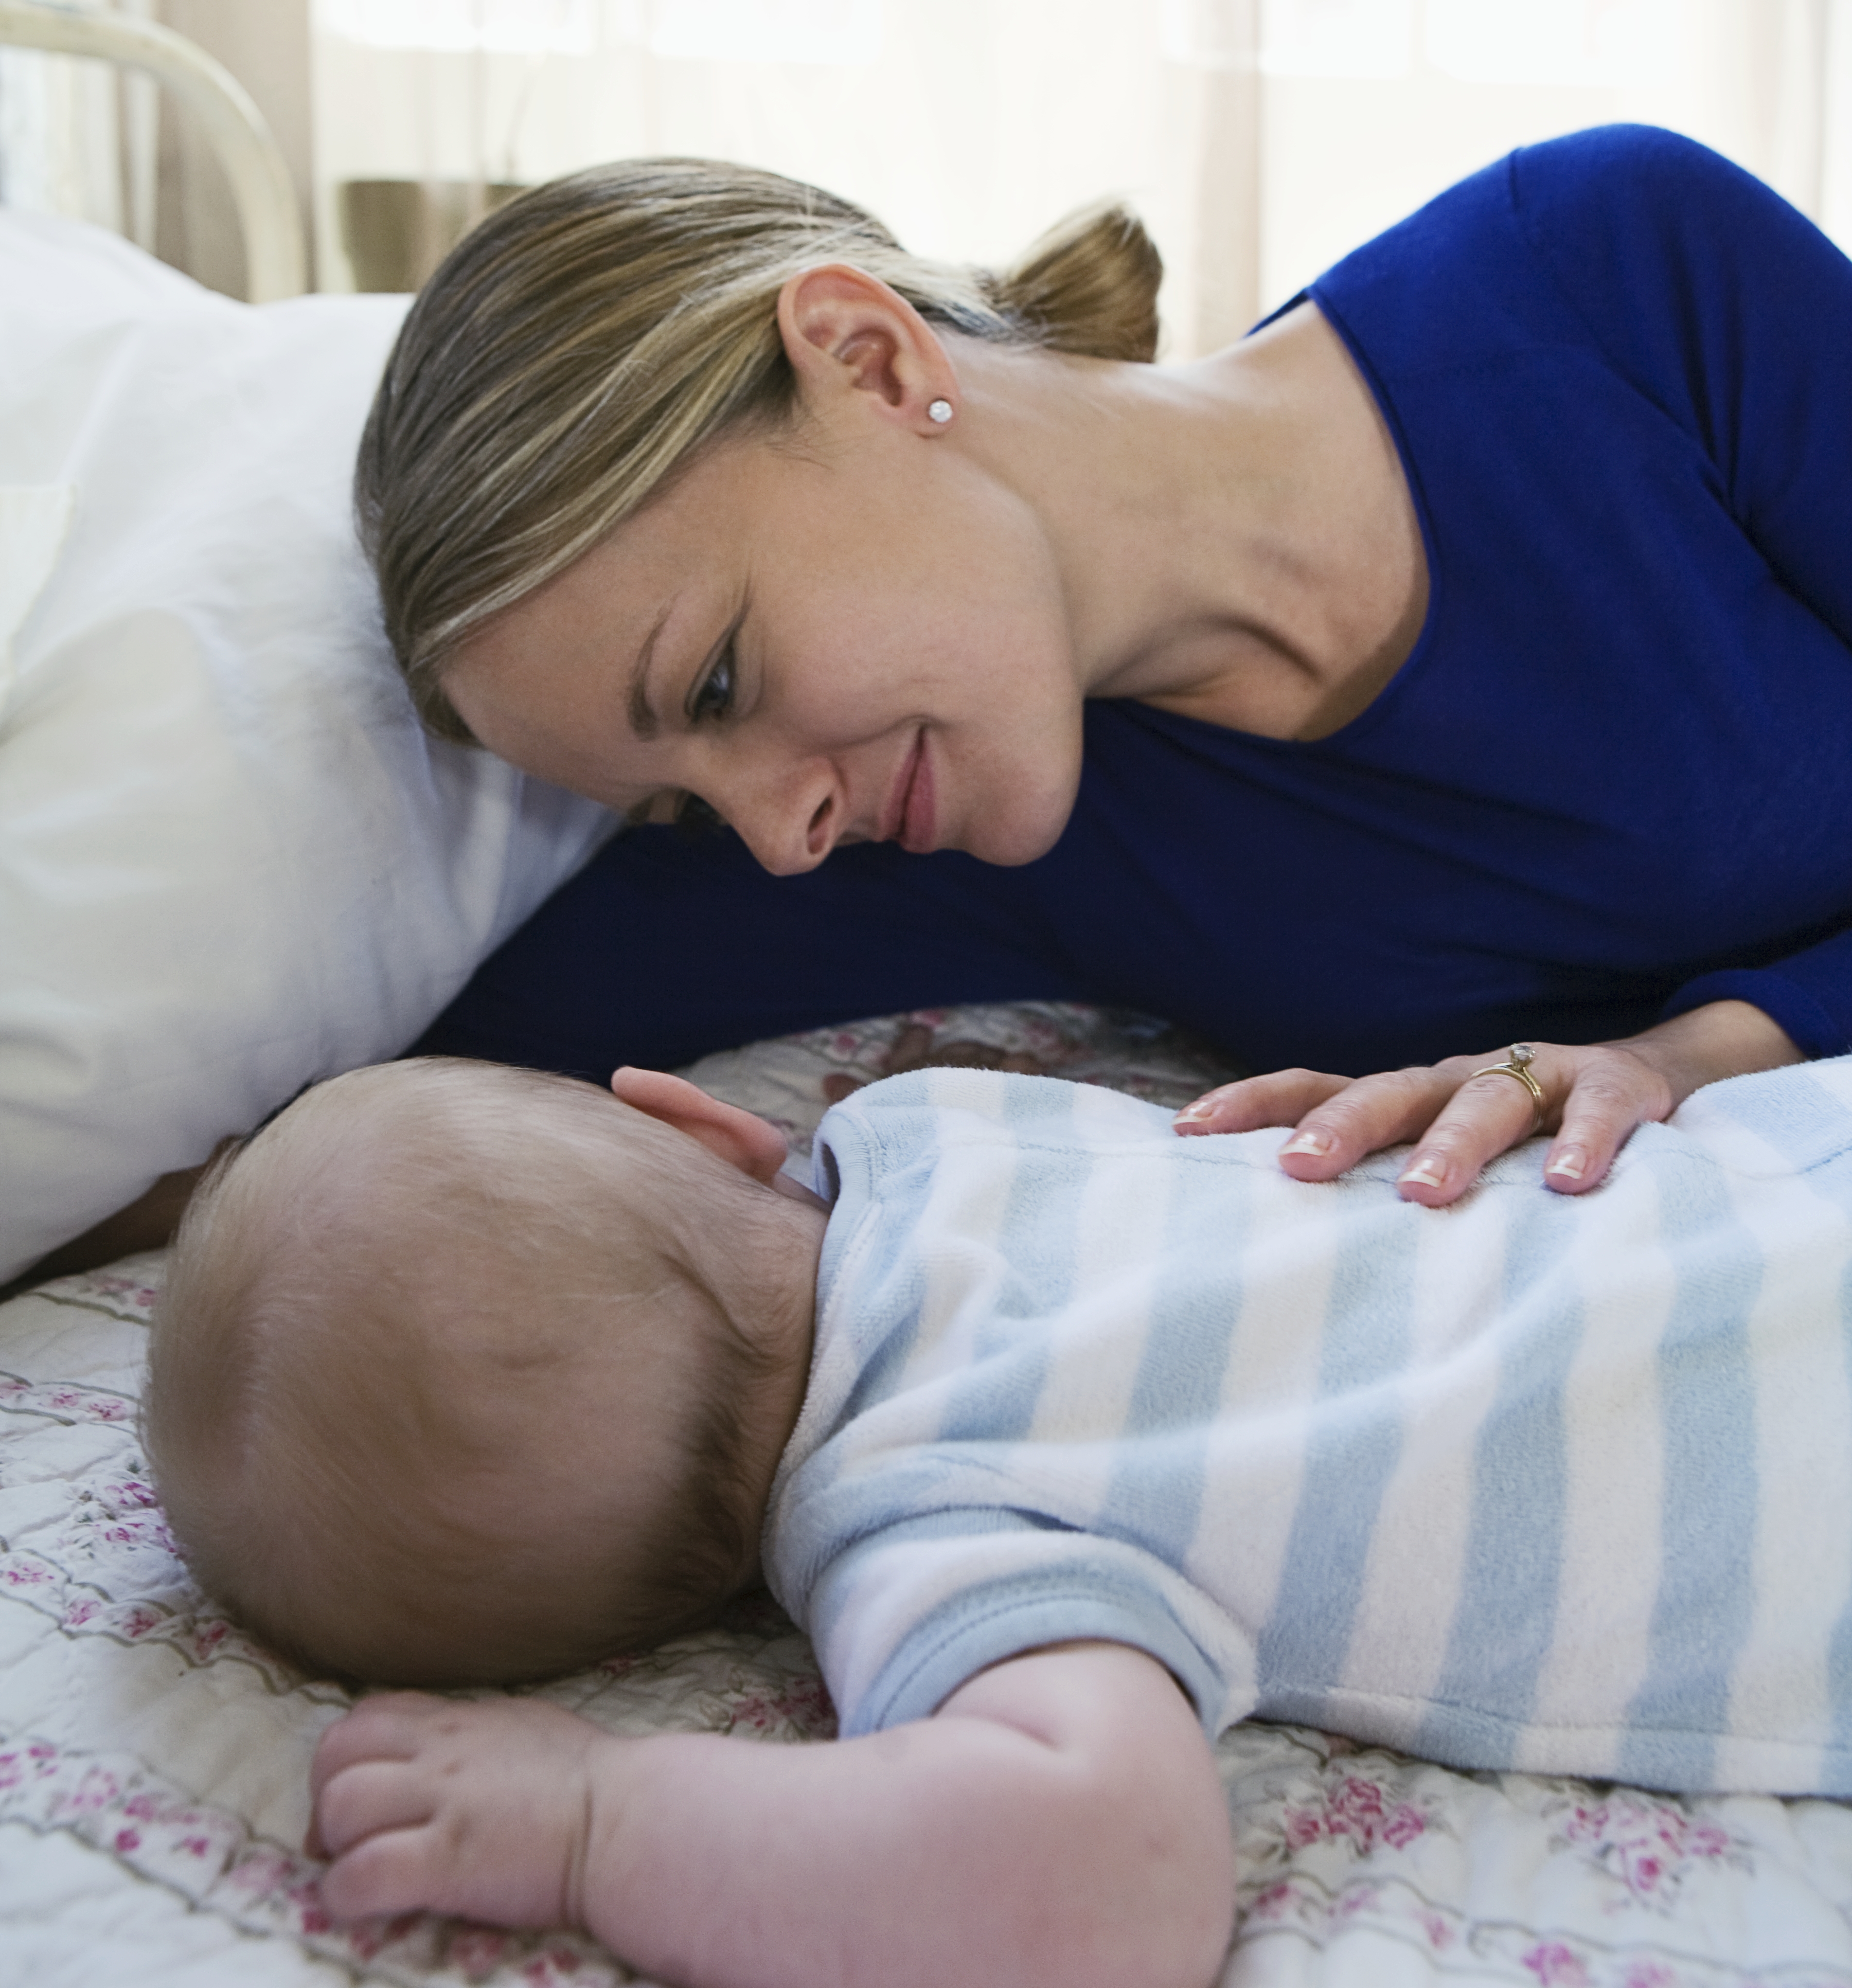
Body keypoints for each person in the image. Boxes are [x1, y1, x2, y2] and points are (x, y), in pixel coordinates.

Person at [144, 1048, 1852, 1988]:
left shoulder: (927, 1528)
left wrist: (596, 1826)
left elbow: (1099, 1893)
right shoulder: (940, 1121)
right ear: (697, 1126)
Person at [353, 123, 1852, 1217]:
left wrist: (1693, 1052)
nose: (774, 836)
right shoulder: (955, 829)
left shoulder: (1612, 280)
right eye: (685, 806)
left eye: (720, 688)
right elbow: (390, 1115)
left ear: (869, 360)